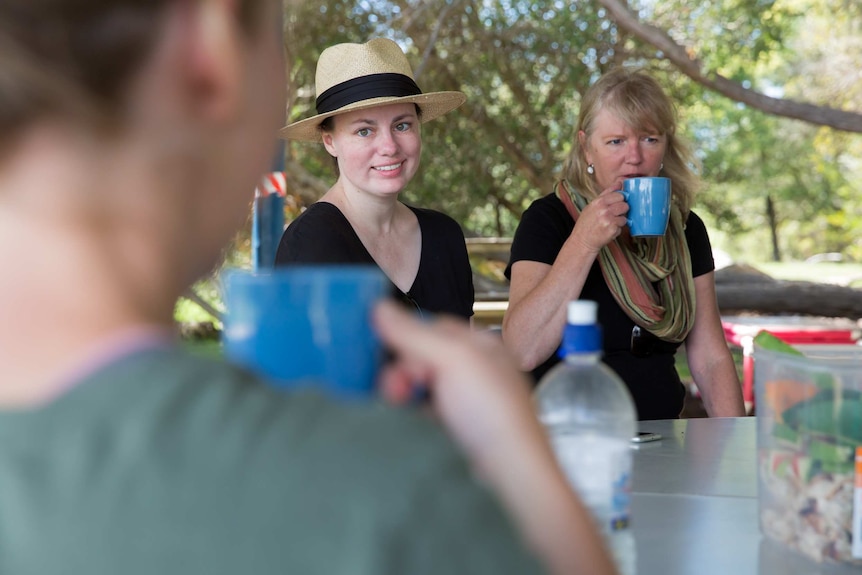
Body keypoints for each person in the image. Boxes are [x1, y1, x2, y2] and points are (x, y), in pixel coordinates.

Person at [0, 1, 617, 574]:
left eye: (402, 125)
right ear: (210, 50)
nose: (387, 146)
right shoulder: (388, 500)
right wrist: (517, 447)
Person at [503, 67, 746, 421]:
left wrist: (739, 444)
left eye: (649, 139)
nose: (634, 156)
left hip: (662, 436)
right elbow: (521, 351)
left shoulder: (687, 227)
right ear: (587, 148)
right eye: (615, 141)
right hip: (568, 440)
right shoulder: (547, 220)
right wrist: (583, 243)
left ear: (665, 145)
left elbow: (709, 357)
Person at [275, 38, 474, 321]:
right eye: (364, 131)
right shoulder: (308, 244)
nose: (390, 147)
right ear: (330, 141)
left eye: (402, 125)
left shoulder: (445, 235)